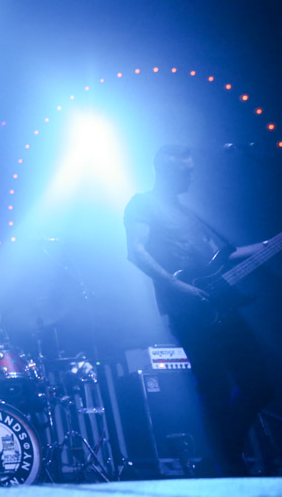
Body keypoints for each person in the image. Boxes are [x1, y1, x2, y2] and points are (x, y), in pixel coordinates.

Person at [124, 144, 273, 476]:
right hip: (187, 308)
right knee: (214, 387)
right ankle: (231, 466)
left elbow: (222, 256)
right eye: (185, 170)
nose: (192, 174)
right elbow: (136, 252)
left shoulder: (191, 214)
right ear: (165, 169)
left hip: (220, 304)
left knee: (260, 385)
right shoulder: (142, 204)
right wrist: (179, 288)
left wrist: (270, 245)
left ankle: (225, 446)